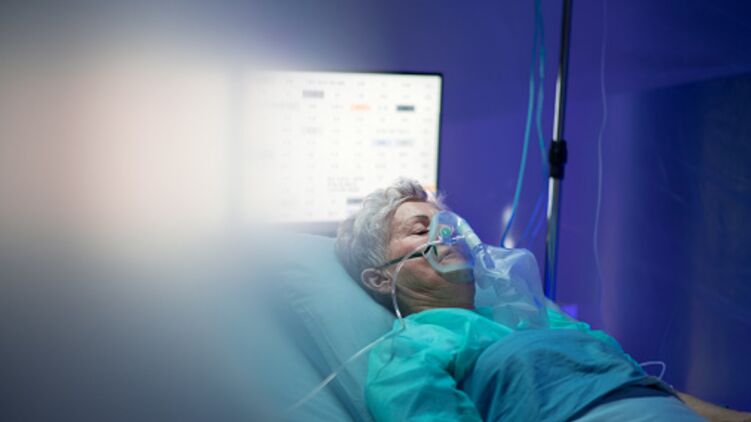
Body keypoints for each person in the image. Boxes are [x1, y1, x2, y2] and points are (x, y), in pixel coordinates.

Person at [335, 179, 742, 421]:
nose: (445, 235)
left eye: (447, 224)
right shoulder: (411, 350)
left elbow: (640, 386)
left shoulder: (537, 317)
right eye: (421, 229)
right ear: (380, 276)